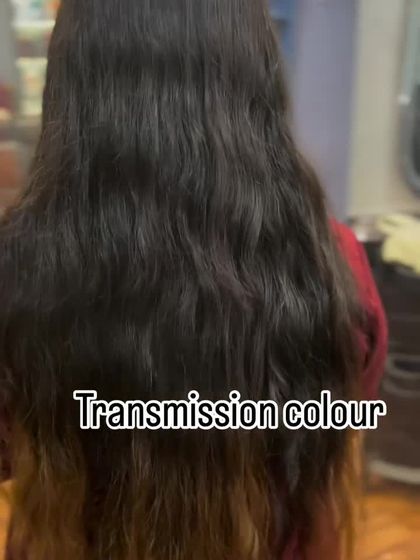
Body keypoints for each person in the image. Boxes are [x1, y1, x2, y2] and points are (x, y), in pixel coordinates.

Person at [0, 1, 387, 559]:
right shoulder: (334, 267)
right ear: (257, 79)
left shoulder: (19, 273)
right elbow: (327, 458)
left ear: (73, 87)